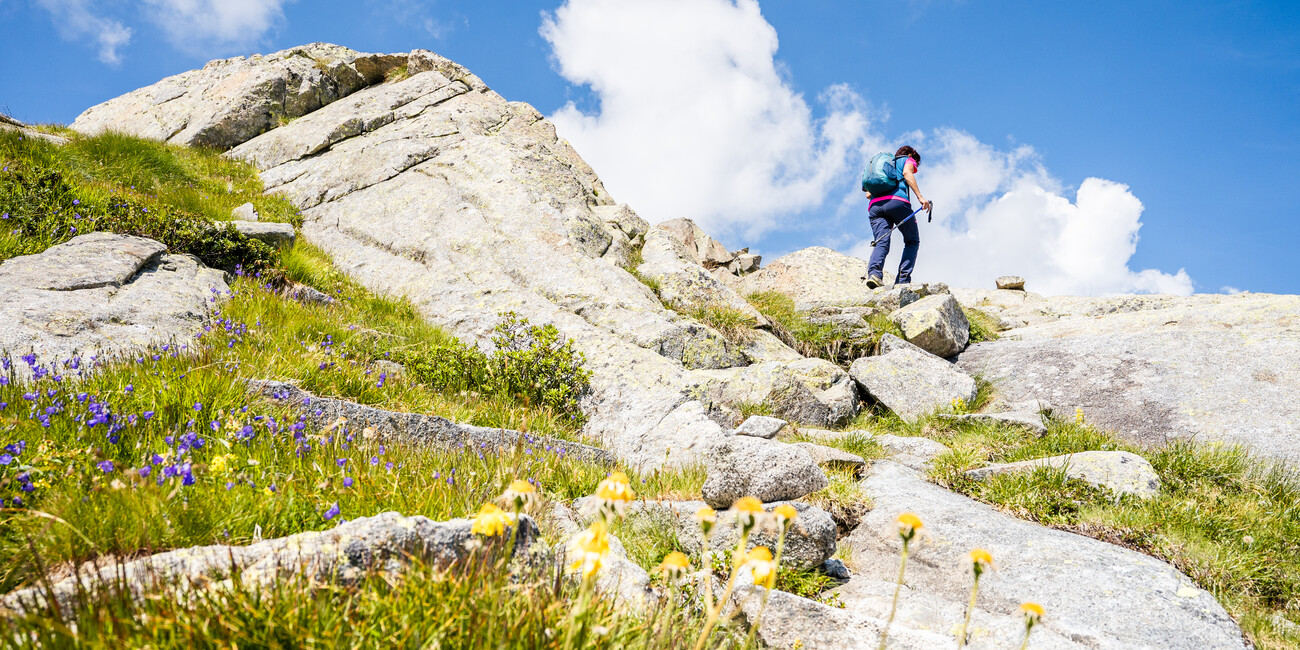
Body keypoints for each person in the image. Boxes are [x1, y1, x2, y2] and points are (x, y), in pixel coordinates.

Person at [864, 145, 931, 288]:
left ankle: (874, 275)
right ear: (911, 156)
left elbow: (868, 194)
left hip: (875, 207)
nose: (915, 167)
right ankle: (903, 280)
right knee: (912, 241)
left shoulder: (884, 166)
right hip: (897, 203)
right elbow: (907, 173)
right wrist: (920, 197)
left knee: (881, 241)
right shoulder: (907, 160)